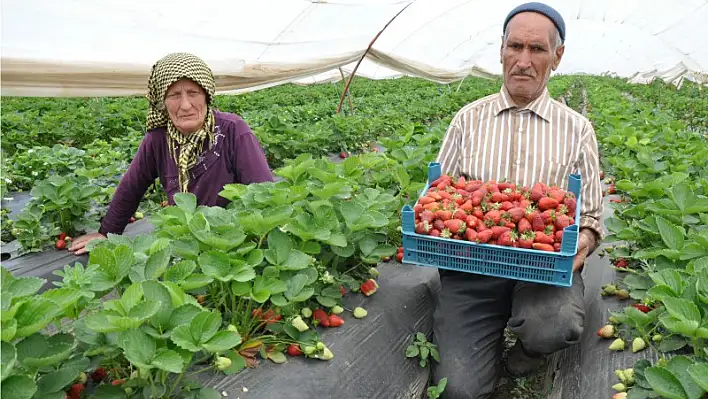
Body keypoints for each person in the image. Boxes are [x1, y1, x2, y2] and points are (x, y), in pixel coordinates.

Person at [431, 3, 603, 398]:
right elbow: (441, 195)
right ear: (502, 50)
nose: (523, 60)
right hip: (473, 266)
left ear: (556, 57)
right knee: (457, 390)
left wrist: (585, 239)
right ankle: (481, 344)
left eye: (537, 50)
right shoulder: (468, 119)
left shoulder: (577, 129)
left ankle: (527, 351)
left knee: (556, 324)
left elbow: (591, 214)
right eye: (515, 46)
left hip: (543, 269)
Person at [70, 52, 274, 255]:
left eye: (193, 93)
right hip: (183, 245)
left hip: (231, 244)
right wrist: (106, 232)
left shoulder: (233, 130)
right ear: (162, 102)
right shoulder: (159, 139)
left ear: (206, 95)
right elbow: (132, 187)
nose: (185, 105)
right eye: (174, 95)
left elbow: (264, 193)